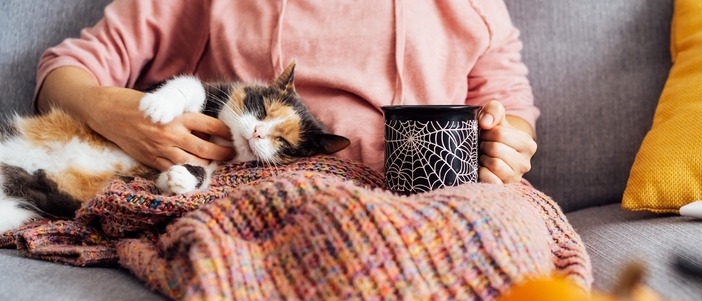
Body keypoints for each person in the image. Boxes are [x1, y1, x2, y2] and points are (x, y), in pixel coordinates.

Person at [35, 0, 539, 185]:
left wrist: (505, 144)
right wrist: (115, 112)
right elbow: (65, 70)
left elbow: (510, 107)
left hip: (437, 197)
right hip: (260, 193)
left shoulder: (475, 7)